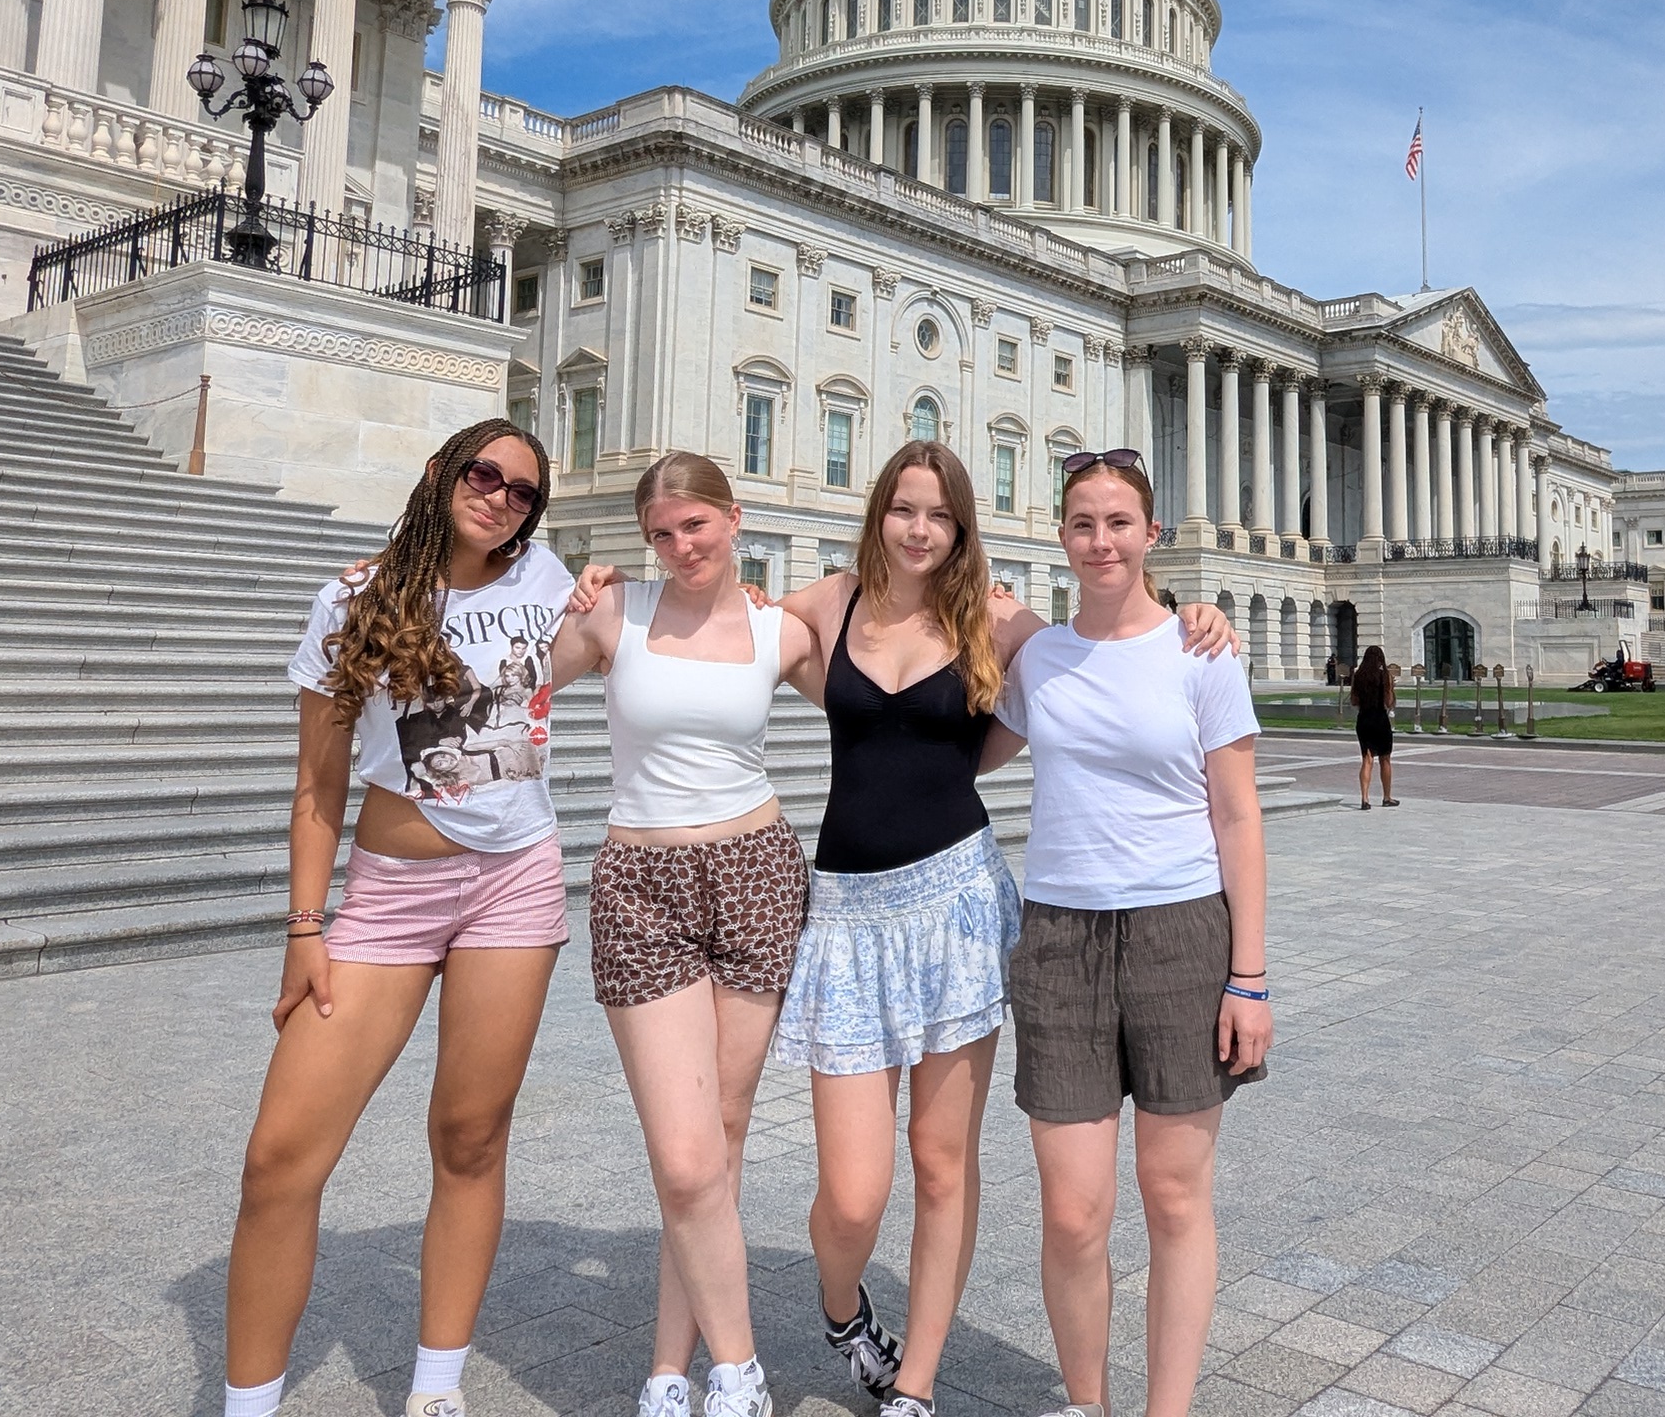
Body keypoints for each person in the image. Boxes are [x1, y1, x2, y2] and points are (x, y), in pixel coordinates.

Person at [566, 443, 1235, 1417]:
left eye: (940, 515)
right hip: (844, 909)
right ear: (879, 512)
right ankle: (844, 1313)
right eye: (903, 510)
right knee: (851, 1195)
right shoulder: (824, 604)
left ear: (962, 527)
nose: (920, 530)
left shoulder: (998, 620)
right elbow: (716, 609)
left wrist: (1194, 614)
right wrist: (607, 585)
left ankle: (915, 1382)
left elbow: (1102, 643)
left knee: (940, 1161)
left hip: (956, 899)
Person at [223, 419, 575, 1417]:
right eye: (484, 474)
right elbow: (316, 786)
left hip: (513, 887)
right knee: (279, 1158)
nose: (500, 498)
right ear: (439, 472)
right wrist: (305, 927)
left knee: (470, 1138)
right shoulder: (355, 597)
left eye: (522, 492)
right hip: (388, 897)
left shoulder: (546, 580)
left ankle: (435, 1387)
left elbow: (655, 614)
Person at [978, 449, 1272, 1417]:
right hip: (1060, 939)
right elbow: (959, 751)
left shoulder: (1201, 652)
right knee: (1073, 1213)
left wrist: (1249, 977)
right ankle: (1087, 1404)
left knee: (1174, 1197)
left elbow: (1238, 816)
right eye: (1082, 523)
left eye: (1117, 523)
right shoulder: (1039, 659)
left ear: (1152, 534)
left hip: (1181, 933)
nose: (1099, 541)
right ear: (1060, 535)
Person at [561, 452, 824, 1417]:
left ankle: (673, 1371)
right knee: (684, 1155)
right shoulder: (611, 612)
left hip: (756, 872)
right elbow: (504, 676)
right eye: (661, 534)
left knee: (721, 1136)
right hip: (641, 884)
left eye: (696, 526)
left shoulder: (778, 628)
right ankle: (743, 1372)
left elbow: (890, 699)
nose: (680, 547)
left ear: (733, 518)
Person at [1350, 646, 1398, 809]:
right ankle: (1387, 797)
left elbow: (1354, 701)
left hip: (1364, 719)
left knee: (1367, 759)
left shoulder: (1358, 676)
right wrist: (1391, 688)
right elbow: (1389, 702)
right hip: (1380, 719)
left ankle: (1365, 798)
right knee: (1385, 758)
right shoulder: (1385, 676)